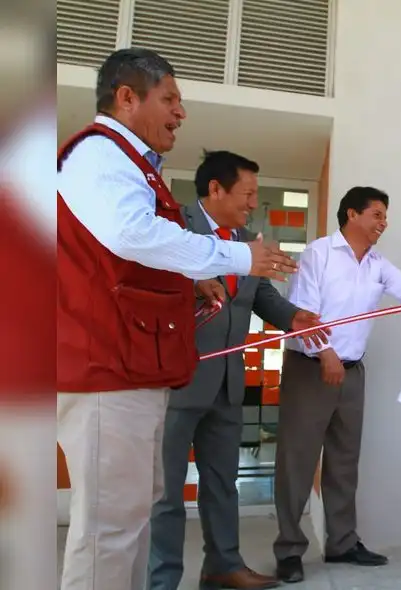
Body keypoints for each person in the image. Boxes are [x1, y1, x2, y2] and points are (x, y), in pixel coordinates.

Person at [56, 48, 297, 590]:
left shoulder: (132, 164)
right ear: (126, 97)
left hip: (138, 367)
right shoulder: (100, 153)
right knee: (109, 530)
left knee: (130, 518)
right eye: (170, 99)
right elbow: (133, 235)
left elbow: (129, 261)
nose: (180, 113)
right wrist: (238, 258)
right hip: (107, 366)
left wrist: (192, 281)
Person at [148, 151, 330, 590]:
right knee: (165, 493)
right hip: (177, 381)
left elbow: (261, 296)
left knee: (221, 484)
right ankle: (161, 580)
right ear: (215, 189)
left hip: (228, 383)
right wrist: (190, 285)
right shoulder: (170, 228)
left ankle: (223, 566)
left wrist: (293, 317)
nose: (253, 204)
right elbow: (148, 280)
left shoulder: (248, 241)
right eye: (247, 194)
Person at [272, 187, 401, 583]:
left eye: (385, 216)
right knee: (298, 461)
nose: (383, 223)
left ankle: (342, 542)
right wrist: (325, 353)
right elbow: (305, 312)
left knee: (343, 461)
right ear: (352, 215)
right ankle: (289, 550)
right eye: (377, 215)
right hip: (311, 368)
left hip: (352, 372)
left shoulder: (376, 262)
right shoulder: (319, 254)